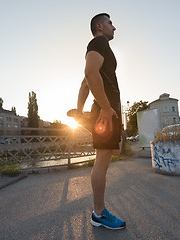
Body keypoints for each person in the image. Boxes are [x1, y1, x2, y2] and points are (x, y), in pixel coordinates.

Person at [76, 13, 126, 230]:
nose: (114, 27)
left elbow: (85, 84)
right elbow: (89, 73)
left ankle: (99, 212)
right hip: (106, 111)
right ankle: (99, 213)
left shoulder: (101, 46)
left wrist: (79, 110)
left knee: (112, 154)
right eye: (110, 23)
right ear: (99, 26)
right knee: (102, 160)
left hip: (109, 112)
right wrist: (105, 107)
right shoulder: (98, 42)